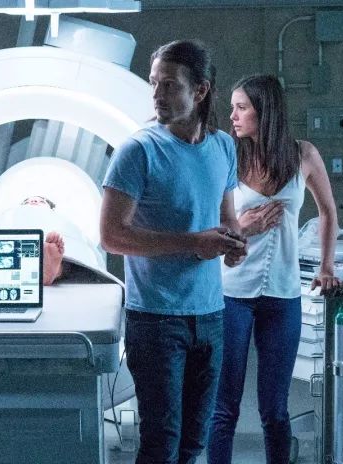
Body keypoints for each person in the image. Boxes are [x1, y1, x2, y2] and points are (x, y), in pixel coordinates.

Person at [100, 39, 247, 463]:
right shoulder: (138, 151)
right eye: (154, 84)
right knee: (162, 445)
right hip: (156, 319)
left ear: (200, 91)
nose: (157, 95)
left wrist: (235, 244)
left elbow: (227, 218)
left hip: (210, 315)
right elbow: (111, 236)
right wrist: (194, 244)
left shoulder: (223, 147)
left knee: (194, 443)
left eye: (169, 85)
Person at [207, 74, 342, 464]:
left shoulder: (304, 155)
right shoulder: (227, 154)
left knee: (275, 410)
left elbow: (328, 212)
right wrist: (241, 226)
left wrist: (327, 266)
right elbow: (204, 221)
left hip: (283, 296)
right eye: (232, 108)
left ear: (264, 112)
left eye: (241, 108)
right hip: (231, 294)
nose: (232, 116)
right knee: (224, 407)